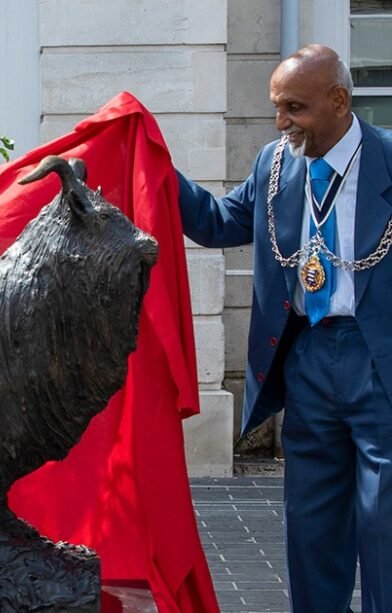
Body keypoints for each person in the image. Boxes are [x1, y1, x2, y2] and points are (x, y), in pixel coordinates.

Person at [178, 44, 392, 612]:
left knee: (384, 526)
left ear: (339, 100)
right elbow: (220, 221)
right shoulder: (276, 163)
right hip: (308, 358)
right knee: (312, 528)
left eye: (294, 107)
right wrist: (153, 168)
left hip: (379, 360)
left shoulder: (390, 161)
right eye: (277, 107)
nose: (281, 122)